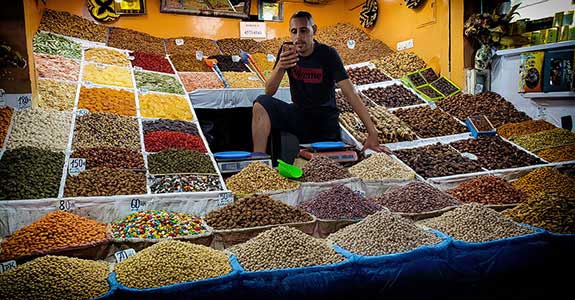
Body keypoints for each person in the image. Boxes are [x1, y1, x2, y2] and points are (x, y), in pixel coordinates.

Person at [252, 11, 389, 154]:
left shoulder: (328, 54)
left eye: (303, 30)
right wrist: (280, 66)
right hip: (298, 113)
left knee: (325, 164)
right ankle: (258, 161)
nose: (298, 37)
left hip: (324, 119)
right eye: (294, 31)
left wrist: (372, 132)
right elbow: (269, 91)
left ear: (314, 30)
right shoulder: (287, 51)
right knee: (261, 103)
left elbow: (350, 92)